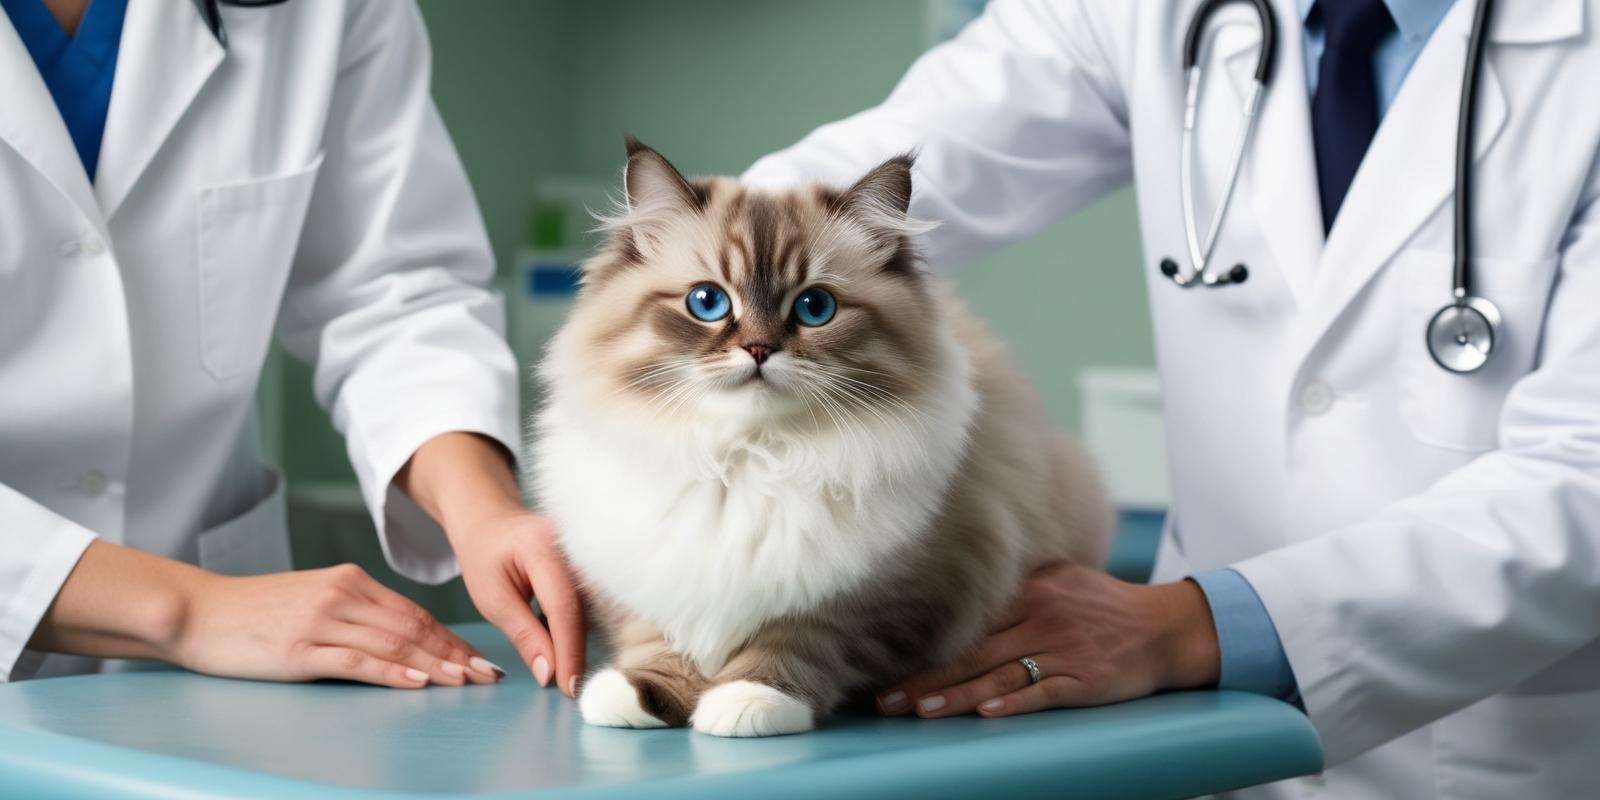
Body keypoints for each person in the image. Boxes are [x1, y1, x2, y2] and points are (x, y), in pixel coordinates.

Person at [743, 0, 1600, 796]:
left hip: (1497, 751)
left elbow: (1586, 478)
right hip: (1199, 747)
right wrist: (620, 396)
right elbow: (835, 196)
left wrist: (1200, 627)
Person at [0, 0, 585, 697]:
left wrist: (483, 509)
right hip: (223, 624)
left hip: (224, 684)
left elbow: (393, 290)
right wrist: (190, 610)